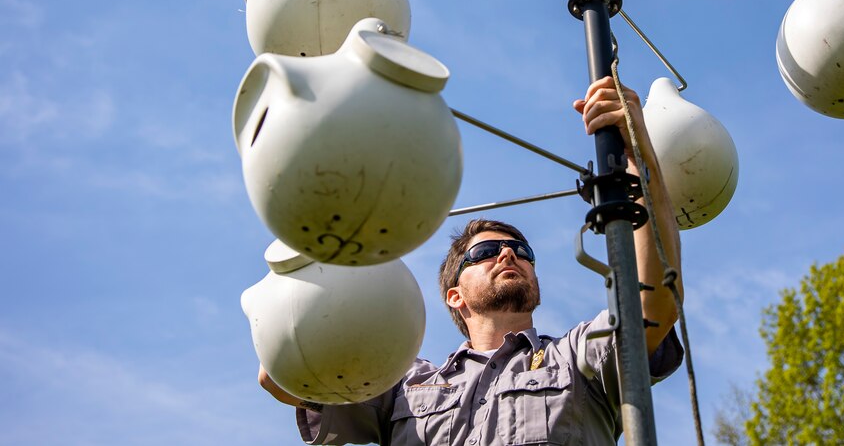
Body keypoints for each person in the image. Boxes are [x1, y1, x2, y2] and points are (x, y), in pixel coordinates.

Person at [258, 75, 684, 445]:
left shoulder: (577, 357)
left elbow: (652, 308)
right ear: (454, 295)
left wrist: (638, 156)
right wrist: (316, 222)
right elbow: (286, 376)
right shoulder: (403, 384)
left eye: (523, 252)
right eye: (485, 252)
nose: (508, 253)